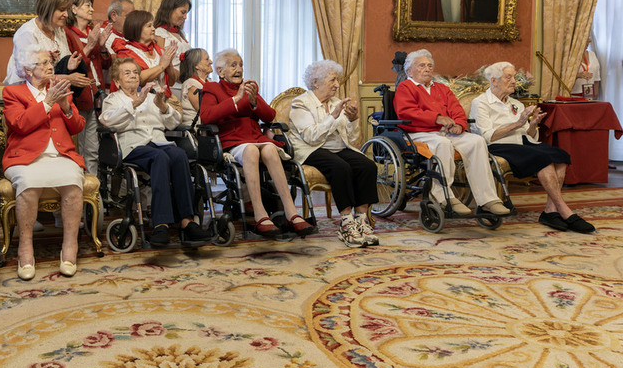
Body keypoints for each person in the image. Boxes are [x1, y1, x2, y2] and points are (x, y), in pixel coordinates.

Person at [199, 49, 316, 237]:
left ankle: (291, 213)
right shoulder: (212, 89)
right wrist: (236, 100)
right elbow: (206, 117)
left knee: (270, 149)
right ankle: (260, 216)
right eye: (233, 65)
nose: (239, 69)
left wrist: (254, 102)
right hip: (233, 140)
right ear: (220, 71)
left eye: (241, 64)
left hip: (255, 138)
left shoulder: (249, 87)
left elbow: (270, 115)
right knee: (252, 151)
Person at [99, 58, 212, 247]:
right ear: (117, 81)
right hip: (133, 146)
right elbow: (108, 121)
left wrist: (163, 106)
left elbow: (173, 123)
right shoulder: (113, 99)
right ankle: (161, 224)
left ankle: (187, 221)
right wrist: (134, 104)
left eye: (135, 72)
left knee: (178, 155)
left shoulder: (152, 97)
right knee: (160, 157)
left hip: (159, 142)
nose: (133, 75)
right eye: (127, 73)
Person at [471, 61, 594, 233]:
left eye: (514, 76)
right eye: (509, 77)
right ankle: (564, 210)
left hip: (522, 143)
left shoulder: (515, 103)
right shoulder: (481, 103)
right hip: (498, 145)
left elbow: (528, 136)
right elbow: (487, 136)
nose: (514, 81)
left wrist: (532, 124)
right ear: (494, 80)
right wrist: (519, 122)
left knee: (561, 155)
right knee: (543, 159)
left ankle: (550, 211)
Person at [2, 45, 86, 280]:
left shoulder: (61, 90)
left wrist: (68, 107)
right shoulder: (13, 93)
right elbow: (19, 124)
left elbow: (78, 126)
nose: (51, 66)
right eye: (43, 63)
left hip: (61, 155)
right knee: (28, 183)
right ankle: (25, 247)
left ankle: (70, 246)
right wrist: (48, 102)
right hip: (25, 158)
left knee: (73, 181)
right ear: (28, 71)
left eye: (50, 62)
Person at [394, 49, 509, 216]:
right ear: (409, 70)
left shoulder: (441, 88)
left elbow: (456, 109)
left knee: (476, 141)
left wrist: (460, 125)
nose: (427, 69)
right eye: (421, 66)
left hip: (446, 131)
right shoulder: (406, 87)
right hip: (419, 133)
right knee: (443, 143)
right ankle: (444, 196)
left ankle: (488, 199)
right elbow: (407, 112)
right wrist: (437, 118)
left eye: (429, 65)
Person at [288, 60, 378, 248]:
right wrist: (333, 116)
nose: (337, 85)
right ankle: (346, 222)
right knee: (340, 167)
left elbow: (352, 138)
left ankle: (361, 220)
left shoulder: (337, 102)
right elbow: (311, 137)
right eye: (332, 80)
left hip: (337, 148)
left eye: (337, 80)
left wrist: (353, 120)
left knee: (367, 165)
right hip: (310, 149)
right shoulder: (301, 103)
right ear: (316, 82)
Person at [64, 0, 111, 172]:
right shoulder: (67, 34)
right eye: (87, 6)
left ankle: (94, 189)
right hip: (80, 96)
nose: (92, 9)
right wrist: (90, 45)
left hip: (98, 95)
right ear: (74, 9)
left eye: (91, 5)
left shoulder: (94, 32)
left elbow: (107, 65)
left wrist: (103, 46)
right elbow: (72, 66)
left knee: (95, 149)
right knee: (82, 146)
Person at [115, 10, 178, 95]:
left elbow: (171, 83)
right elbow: (138, 79)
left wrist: (169, 64)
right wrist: (162, 65)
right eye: (149, 26)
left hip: (162, 99)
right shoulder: (126, 51)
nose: (153, 29)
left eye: (152, 25)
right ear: (137, 28)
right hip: (140, 100)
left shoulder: (159, 50)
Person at [153, 0, 192, 88]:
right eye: (183, 12)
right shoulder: (159, 33)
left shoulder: (180, 34)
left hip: (185, 83)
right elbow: (159, 63)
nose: (185, 17)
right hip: (172, 85)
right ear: (170, 9)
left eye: (186, 13)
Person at [178, 48, 212, 128]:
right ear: (197, 66)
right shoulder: (191, 84)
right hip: (197, 132)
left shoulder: (209, 82)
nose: (211, 62)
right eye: (207, 59)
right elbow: (206, 112)